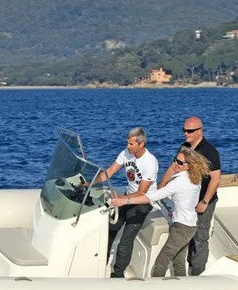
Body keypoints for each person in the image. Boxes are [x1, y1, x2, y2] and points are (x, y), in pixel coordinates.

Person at [111, 147, 208, 277]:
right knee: (178, 262)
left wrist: (124, 201)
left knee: (161, 262)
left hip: (182, 228)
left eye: (180, 163)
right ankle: (183, 285)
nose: (175, 164)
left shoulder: (180, 181)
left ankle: (156, 286)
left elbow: (151, 197)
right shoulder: (195, 178)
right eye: (175, 160)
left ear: (188, 166)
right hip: (190, 225)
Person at [92, 127, 159, 278]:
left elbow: (142, 192)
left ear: (141, 144)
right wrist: (90, 183)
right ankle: (100, 265)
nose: (128, 146)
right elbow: (109, 172)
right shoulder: (125, 153)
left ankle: (117, 275)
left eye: (131, 144)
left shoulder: (150, 162)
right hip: (128, 196)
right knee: (111, 230)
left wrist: (121, 200)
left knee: (126, 240)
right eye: (127, 143)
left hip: (143, 202)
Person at [158, 116, 221, 276]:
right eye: (184, 130)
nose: (186, 133)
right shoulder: (184, 148)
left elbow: (215, 178)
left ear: (200, 131)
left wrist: (205, 201)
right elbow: (173, 168)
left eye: (190, 131)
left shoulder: (210, 152)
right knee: (184, 238)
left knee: (200, 238)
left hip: (203, 201)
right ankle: (181, 274)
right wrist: (161, 187)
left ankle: (197, 275)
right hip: (187, 202)